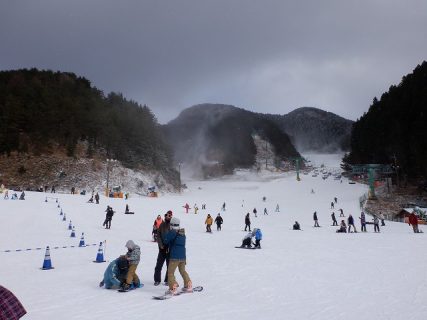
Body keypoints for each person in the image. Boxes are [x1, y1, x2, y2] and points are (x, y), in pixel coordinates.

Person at [163, 217, 192, 295]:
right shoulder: (182, 234)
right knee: (182, 271)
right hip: (183, 257)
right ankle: (188, 284)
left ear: (172, 224)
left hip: (174, 257)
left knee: (170, 273)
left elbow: (165, 240)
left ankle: (173, 287)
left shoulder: (173, 232)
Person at [154, 211, 172, 286]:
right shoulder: (162, 225)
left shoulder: (172, 225)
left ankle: (167, 280)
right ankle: (157, 280)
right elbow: (158, 236)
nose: (167, 216)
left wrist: (170, 246)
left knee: (169, 266)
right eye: (166, 215)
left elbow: (173, 237)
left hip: (169, 249)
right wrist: (161, 245)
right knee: (158, 265)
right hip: (162, 249)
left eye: (169, 215)